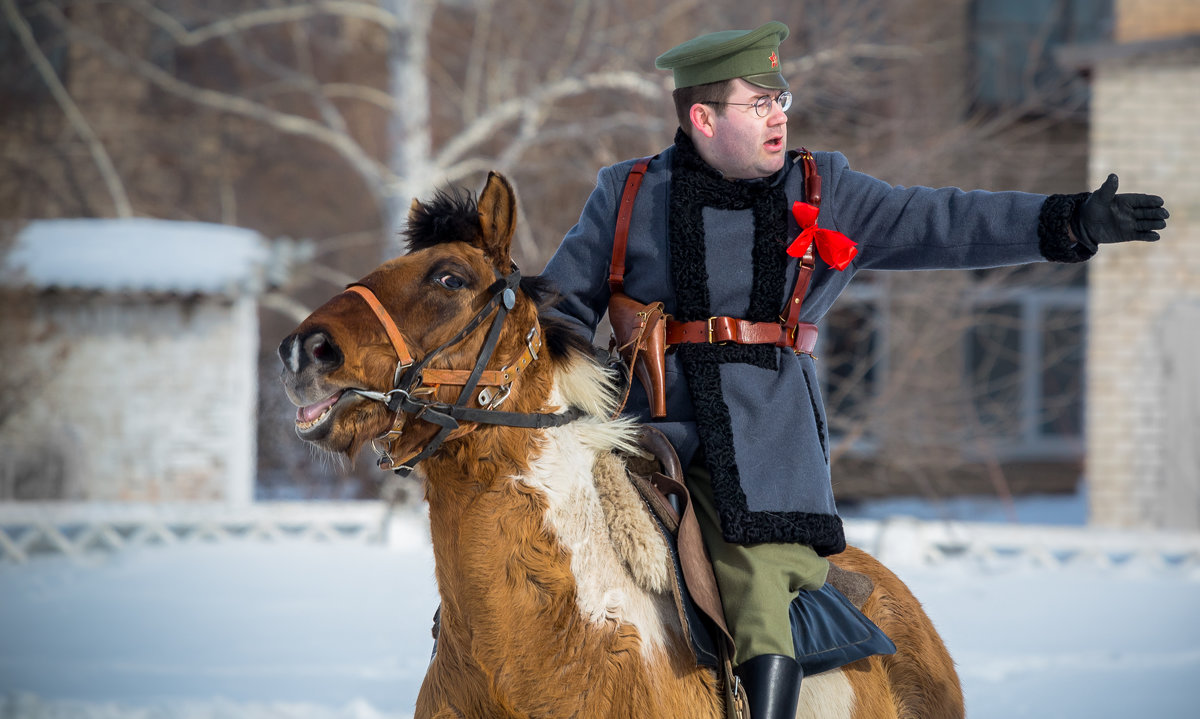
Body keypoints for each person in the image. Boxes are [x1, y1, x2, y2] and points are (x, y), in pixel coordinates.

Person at [540, 21, 1168, 719]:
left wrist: (1071, 220)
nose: (779, 115)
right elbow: (559, 312)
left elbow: (944, 221)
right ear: (703, 118)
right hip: (637, 437)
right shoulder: (628, 193)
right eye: (759, 104)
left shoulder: (824, 187)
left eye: (782, 99)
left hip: (762, 453)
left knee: (756, 585)